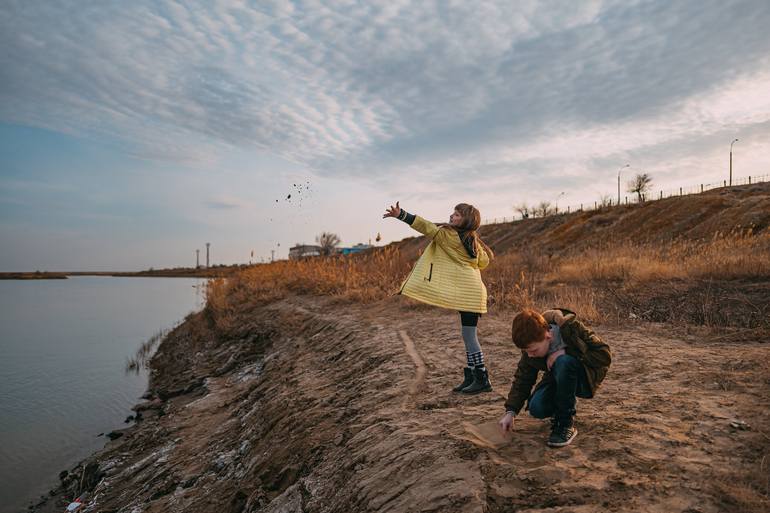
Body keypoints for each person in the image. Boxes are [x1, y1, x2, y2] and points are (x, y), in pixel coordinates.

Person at [383, 201, 494, 394]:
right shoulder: (473, 241)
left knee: (469, 336)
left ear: (466, 220)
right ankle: (471, 376)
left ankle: (482, 377)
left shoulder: (448, 236)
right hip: (473, 293)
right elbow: (483, 262)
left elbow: (426, 226)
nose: (452, 216)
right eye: (453, 213)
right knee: (467, 335)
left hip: (469, 295)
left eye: (457, 214)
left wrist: (402, 215)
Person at [498, 308, 611, 447]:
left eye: (533, 350)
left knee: (564, 362)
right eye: (526, 351)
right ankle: (561, 406)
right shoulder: (531, 345)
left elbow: (604, 355)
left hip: (585, 377)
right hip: (558, 376)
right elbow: (523, 379)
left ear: (548, 336)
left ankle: (565, 425)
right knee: (537, 408)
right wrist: (511, 412)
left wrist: (565, 352)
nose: (530, 355)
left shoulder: (571, 328)